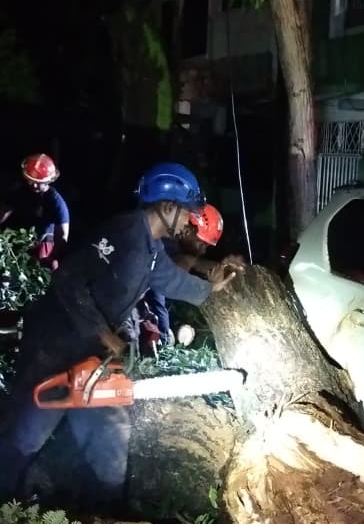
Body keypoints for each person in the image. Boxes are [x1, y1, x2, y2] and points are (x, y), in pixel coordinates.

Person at [0, 163, 244, 505]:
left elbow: (171, 281)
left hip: (89, 355)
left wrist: (210, 290)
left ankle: (104, 517)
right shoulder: (123, 233)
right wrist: (103, 332)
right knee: (26, 437)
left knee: (109, 438)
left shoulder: (152, 249)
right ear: (168, 207)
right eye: (188, 214)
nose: (190, 221)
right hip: (53, 347)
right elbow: (69, 280)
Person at [143, 202, 226, 346]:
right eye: (201, 245)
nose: (203, 251)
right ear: (187, 230)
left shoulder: (176, 245)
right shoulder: (160, 242)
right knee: (160, 339)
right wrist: (209, 285)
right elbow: (170, 276)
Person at [0, 153, 70, 269]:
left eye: (38, 182)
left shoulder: (56, 202)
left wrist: (51, 257)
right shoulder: (22, 190)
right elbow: (4, 210)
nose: (33, 185)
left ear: (48, 180)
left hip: (42, 242)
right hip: (19, 236)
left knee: (48, 266)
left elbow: (63, 236)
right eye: (31, 180)